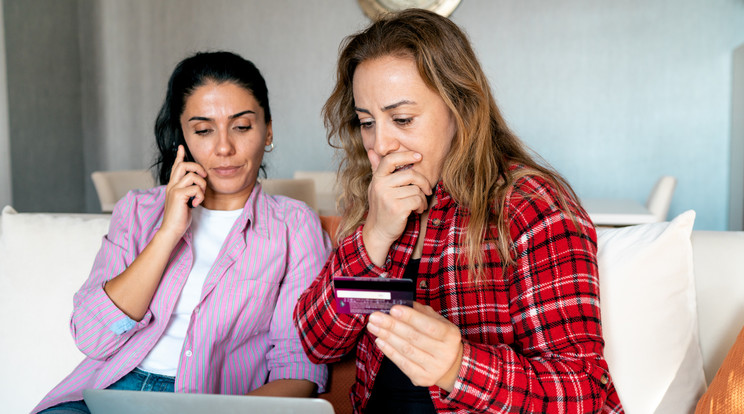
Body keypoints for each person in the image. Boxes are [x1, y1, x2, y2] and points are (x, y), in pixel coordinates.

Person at [293, 9, 623, 413]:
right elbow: (319, 343)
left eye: (402, 119)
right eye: (366, 122)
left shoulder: (529, 207)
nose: (380, 145)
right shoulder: (375, 202)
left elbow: (584, 391)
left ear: (460, 108)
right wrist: (374, 237)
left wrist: (457, 366)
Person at [34, 51, 331, 414]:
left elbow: (298, 366)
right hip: (106, 392)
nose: (224, 147)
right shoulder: (138, 209)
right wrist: (169, 231)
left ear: (268, 130)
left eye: (241, 126)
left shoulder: (293, 227)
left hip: (210, 404)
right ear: (183, 136)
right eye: (203, 130)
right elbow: (91, 336)